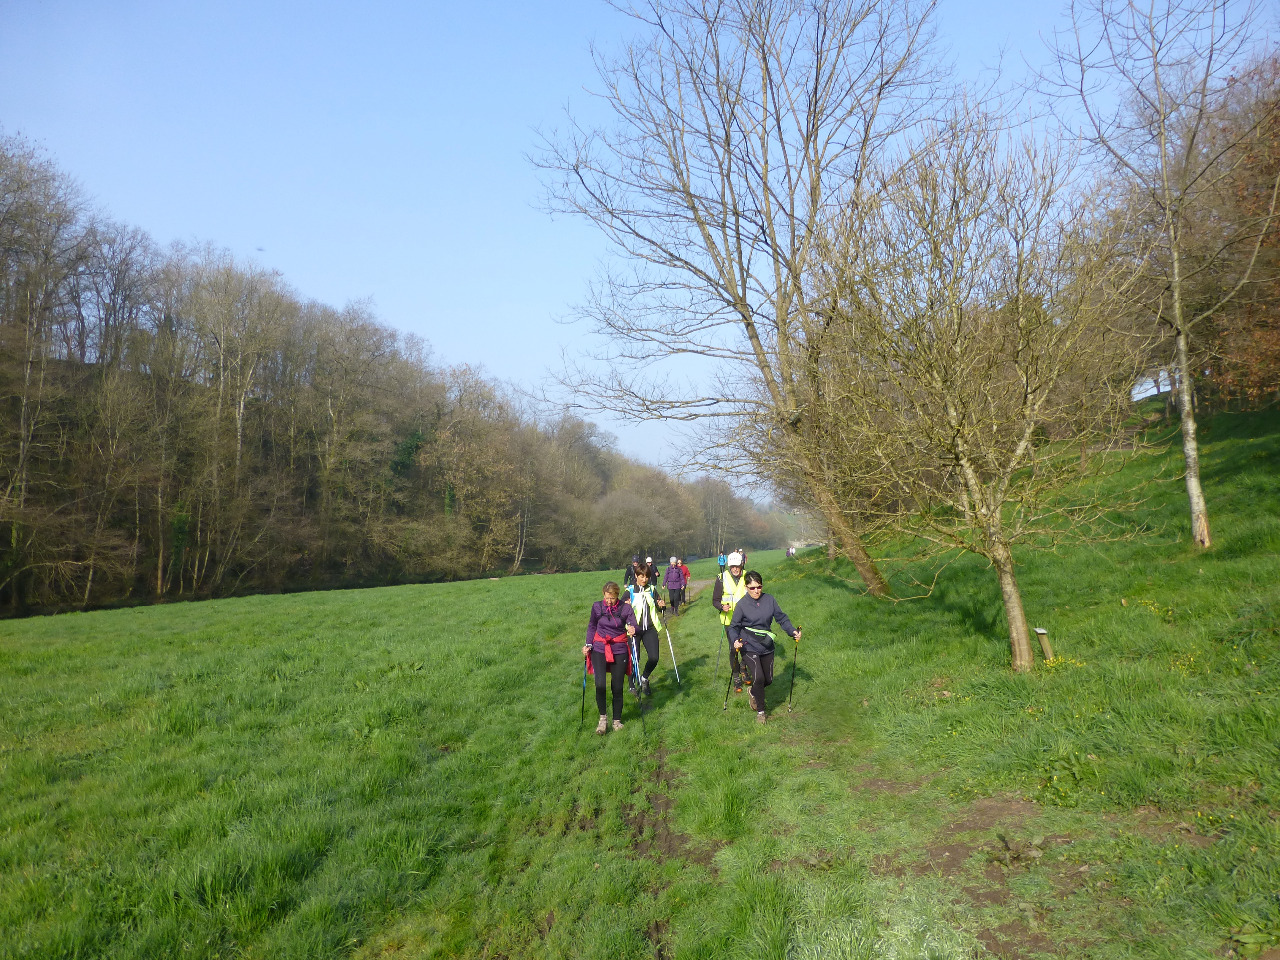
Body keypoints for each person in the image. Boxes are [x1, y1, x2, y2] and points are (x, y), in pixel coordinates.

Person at [729, 571, 800, 724]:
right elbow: (733, 627)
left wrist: (792, 631)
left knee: (768, 680)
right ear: (746, 587)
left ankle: (753, 691)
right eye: (752, 588)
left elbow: (782, 618)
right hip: (748, 645)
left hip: (766, 645)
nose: (756, 591)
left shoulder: (769, 600)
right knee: (759, 678)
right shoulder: (741, 605)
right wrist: (735, 640)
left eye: (759, 587)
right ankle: (761, 712)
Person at [583, 581, 638, 734]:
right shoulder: (597, 607)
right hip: (599, 648)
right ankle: (602, 719)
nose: (609, 601)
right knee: (600, 684)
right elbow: (592, 626)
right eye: (606, 598)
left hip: (619, 649)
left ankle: (617, 721)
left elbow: (634, 624)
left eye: (612, 598)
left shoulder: (625, 608)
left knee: (617, 686)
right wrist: (588, 644)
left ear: (617, 595)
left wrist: (633, 628)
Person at [711, 552, 751, 691]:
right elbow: (715, 600)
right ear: (729, 566)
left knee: (747, 646)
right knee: (734, 648)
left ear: (741, 565)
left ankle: (743, 668)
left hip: (746, 619)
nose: (735, 569)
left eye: (737, 566)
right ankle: (736, 676)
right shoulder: (721, 578)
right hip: (729, 620)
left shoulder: (748, 576)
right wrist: (722, 607)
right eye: (732, 566)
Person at [626, 568, 666, 695]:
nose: (644, 579)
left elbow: (660, 608)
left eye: (647, 576)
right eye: (642, 576)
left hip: (649, 628)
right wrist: (626, 607)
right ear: (636, 575)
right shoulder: (630, 591)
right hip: (634, 630)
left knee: (654, 657)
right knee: (634, 659)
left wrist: (662, 605)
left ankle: (644, 678)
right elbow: (620, 612)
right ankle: (632, 686)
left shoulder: (652, 590)